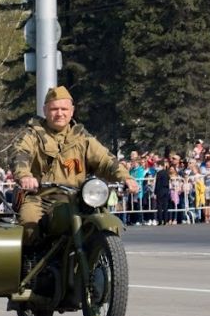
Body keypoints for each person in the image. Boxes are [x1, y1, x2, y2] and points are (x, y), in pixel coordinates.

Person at [14, 86, 137, 245]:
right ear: (45, 110)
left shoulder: (82, 137)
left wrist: (126, 178)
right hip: (41, 197)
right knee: (29, 224)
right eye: (54, 109)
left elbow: (105, 160)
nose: (59, 113)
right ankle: (31, 264)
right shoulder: (32, 134)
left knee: (105, 223)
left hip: (78, 199)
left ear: (72, 111)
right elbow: (20, 154)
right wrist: (25, 175)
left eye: (64, 109)